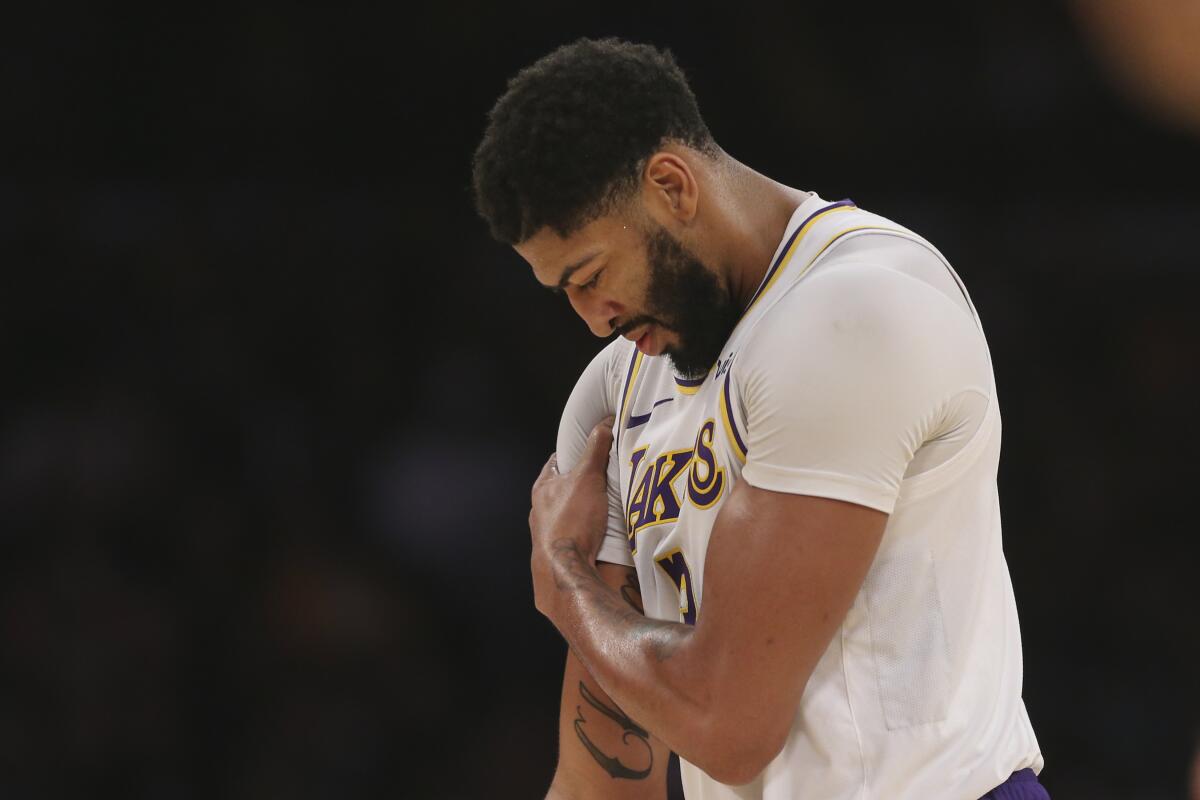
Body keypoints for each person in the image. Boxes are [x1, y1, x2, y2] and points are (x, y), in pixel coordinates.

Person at [472, 38, 1047, 800]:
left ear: (672, 186)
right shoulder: (616, 393)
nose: (591, 320)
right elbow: (602, 774)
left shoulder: (857, 313)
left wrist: (567, 582)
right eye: (563, 292)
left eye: (591, 276)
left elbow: (729, 725)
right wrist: (587, 596)